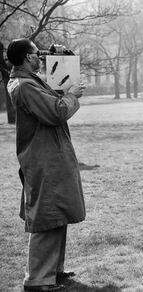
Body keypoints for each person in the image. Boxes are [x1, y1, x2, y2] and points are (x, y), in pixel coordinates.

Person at [6, 38, 85, 292]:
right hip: (44, 158)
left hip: (50, 156)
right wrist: (72, 96)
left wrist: (64, 56)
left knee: (57, 212)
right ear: (28, 58)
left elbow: (54, 92)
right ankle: (38, 280)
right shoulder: (25, 85)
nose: (40, 57)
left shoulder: (30, 81)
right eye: (36, 54)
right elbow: (56, 112)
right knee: (46, 215)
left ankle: (53, 271)